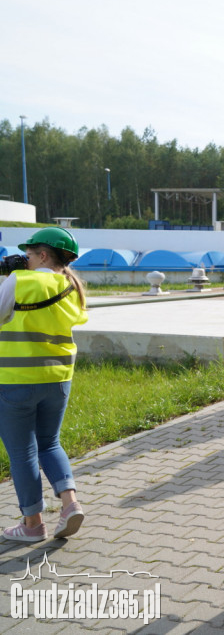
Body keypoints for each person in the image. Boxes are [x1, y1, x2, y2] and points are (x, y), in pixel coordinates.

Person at [0, 227, 88, 542]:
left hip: (16, 381)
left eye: (29, 255)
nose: (25, 260)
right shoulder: (72, 285)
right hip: (58, 379)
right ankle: (70, 504)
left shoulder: (20, 281)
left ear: (43, 254)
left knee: (23, 452)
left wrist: (8, 279)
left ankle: (33, 525)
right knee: (49, 442)